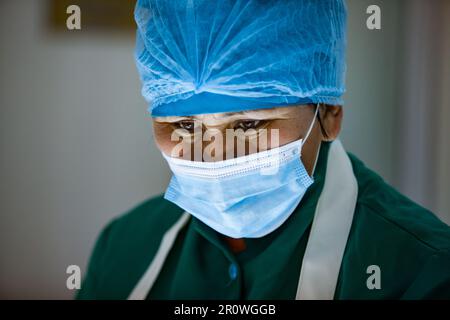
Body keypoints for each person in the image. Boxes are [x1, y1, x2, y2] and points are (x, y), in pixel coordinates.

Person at [77, 0, 450, 300]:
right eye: (184, 126)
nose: (215, 155)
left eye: (249, 124)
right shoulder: (124, 247)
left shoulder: (422, 272)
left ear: (330, 116)